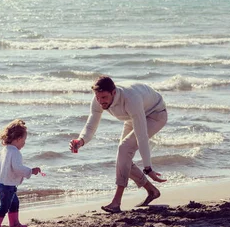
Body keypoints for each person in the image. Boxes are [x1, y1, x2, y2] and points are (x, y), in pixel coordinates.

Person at [69, 75, 168, 213]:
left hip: (155, 114)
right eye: (98, 97)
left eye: (104, 98)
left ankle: (116, 202)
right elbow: (91, 124)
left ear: (114, 93)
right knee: (123, 156)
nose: (100, 101)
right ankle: (152, 191)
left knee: (124, 149)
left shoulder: (131, 99)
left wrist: (148, 168)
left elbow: (142, 137)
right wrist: (81, 141)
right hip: (133, 116)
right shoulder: (98, 99)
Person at [0, 119, 41, 227]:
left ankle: (14, 224)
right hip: (7, 185)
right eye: (24, 139)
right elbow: (17, 168)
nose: (24, 142)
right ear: (18, 139)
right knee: (4, 206)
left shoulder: (5, 150)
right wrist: (31, 171)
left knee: (14, 203)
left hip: (1, 183)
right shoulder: (15, 152)